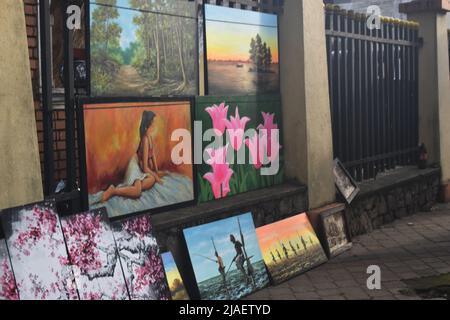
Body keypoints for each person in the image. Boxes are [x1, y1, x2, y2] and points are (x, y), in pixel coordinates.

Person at [101, 111, 164, 202]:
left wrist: (156, 172)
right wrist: (157, 177)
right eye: (153, 123)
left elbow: (152, 154)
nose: (155, 125)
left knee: (152, 179)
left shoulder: (149, 137)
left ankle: (132, 188)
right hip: (135, 166)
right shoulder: (145, 140)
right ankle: (113, 191)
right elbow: (146, 168)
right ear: (148, 124)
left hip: (141, 166)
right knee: (137, 192)